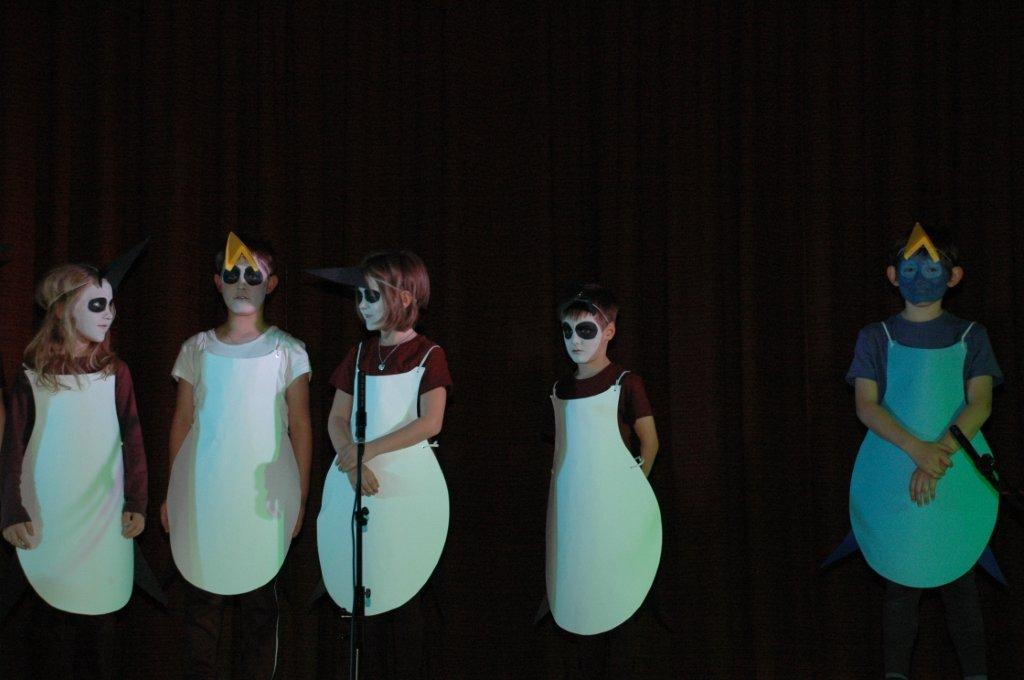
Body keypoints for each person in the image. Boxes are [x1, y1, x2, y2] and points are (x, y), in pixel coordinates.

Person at [846, 224, 1001, 680]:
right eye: (910, 269)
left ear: (954, 276)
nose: (921, 278)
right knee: (900, 589)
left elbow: (980, 403)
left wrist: (939, 457)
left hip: (956, 474)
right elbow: (866, 405)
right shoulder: (875, 336)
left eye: (933, 269)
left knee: (962, 587)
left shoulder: (971, 335)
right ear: (893, 275)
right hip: (894, 472)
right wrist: (916, 450)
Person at [161, 232, 311, 679]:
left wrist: (299, 496)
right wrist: (174, 493)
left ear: (272, 283)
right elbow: (182, 421)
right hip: (207, 499)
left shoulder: (289, 351)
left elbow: (300, 426)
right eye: (231, 275)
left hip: (262, 505)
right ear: (217, 282)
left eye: (253, 275)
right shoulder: (197, 349)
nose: (241, 284)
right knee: (202, 611)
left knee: (259, 611)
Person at [1, 258, 147, 678]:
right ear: (63, 309)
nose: (108, 314)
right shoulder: (33, 377)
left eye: (111, 304)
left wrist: (136, 501)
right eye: (97, 304)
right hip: (48, 521)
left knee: (97, 633)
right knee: (50, 631)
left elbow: (133, 440)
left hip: (101, 523)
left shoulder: (116, 373)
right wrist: (11, 511)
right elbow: (13, 448)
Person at [315, 250, 451, 678]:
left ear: (405, 297)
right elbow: (337, 418)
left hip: (408, 493)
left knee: (406, 606)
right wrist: (351, 461)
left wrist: (367, 450)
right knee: (364, 607)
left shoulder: (429, 354)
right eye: (360, 296)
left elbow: (430, 421)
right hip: (356, 487)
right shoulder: (358, 354)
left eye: (372, 295)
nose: (363, 305)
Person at [544, 284, 661, 657]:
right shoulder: (561, 389)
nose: (575, 340)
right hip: (574, 512)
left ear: (609, 331)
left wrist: (633, 493)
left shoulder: (625, 382)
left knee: (617, 600)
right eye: (567, 331)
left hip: (615, 511)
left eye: (585, 330)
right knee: (579, 600)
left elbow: (650, 442)